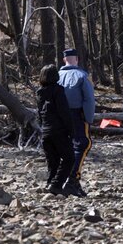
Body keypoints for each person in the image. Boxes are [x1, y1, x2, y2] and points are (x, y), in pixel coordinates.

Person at [58, 49, 95, 197]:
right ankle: (72, 179)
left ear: (64, 60)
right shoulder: (82, 76)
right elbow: (89, 99)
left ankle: (69, 181)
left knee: (67, 147)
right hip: (77, 114)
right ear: (77, 59)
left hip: (60, 116)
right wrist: (88, 118)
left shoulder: (56, 76)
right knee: (83, 144)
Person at [37, 64, 76, 195]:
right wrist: (71, 130)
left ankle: (50, 183)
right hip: (58, 131)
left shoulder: (40, 93)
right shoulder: (58, 91)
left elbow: (40, 114)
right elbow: (64, 112)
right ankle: (56, 184)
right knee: (69, 158)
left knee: (52, 160)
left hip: (45, 132)